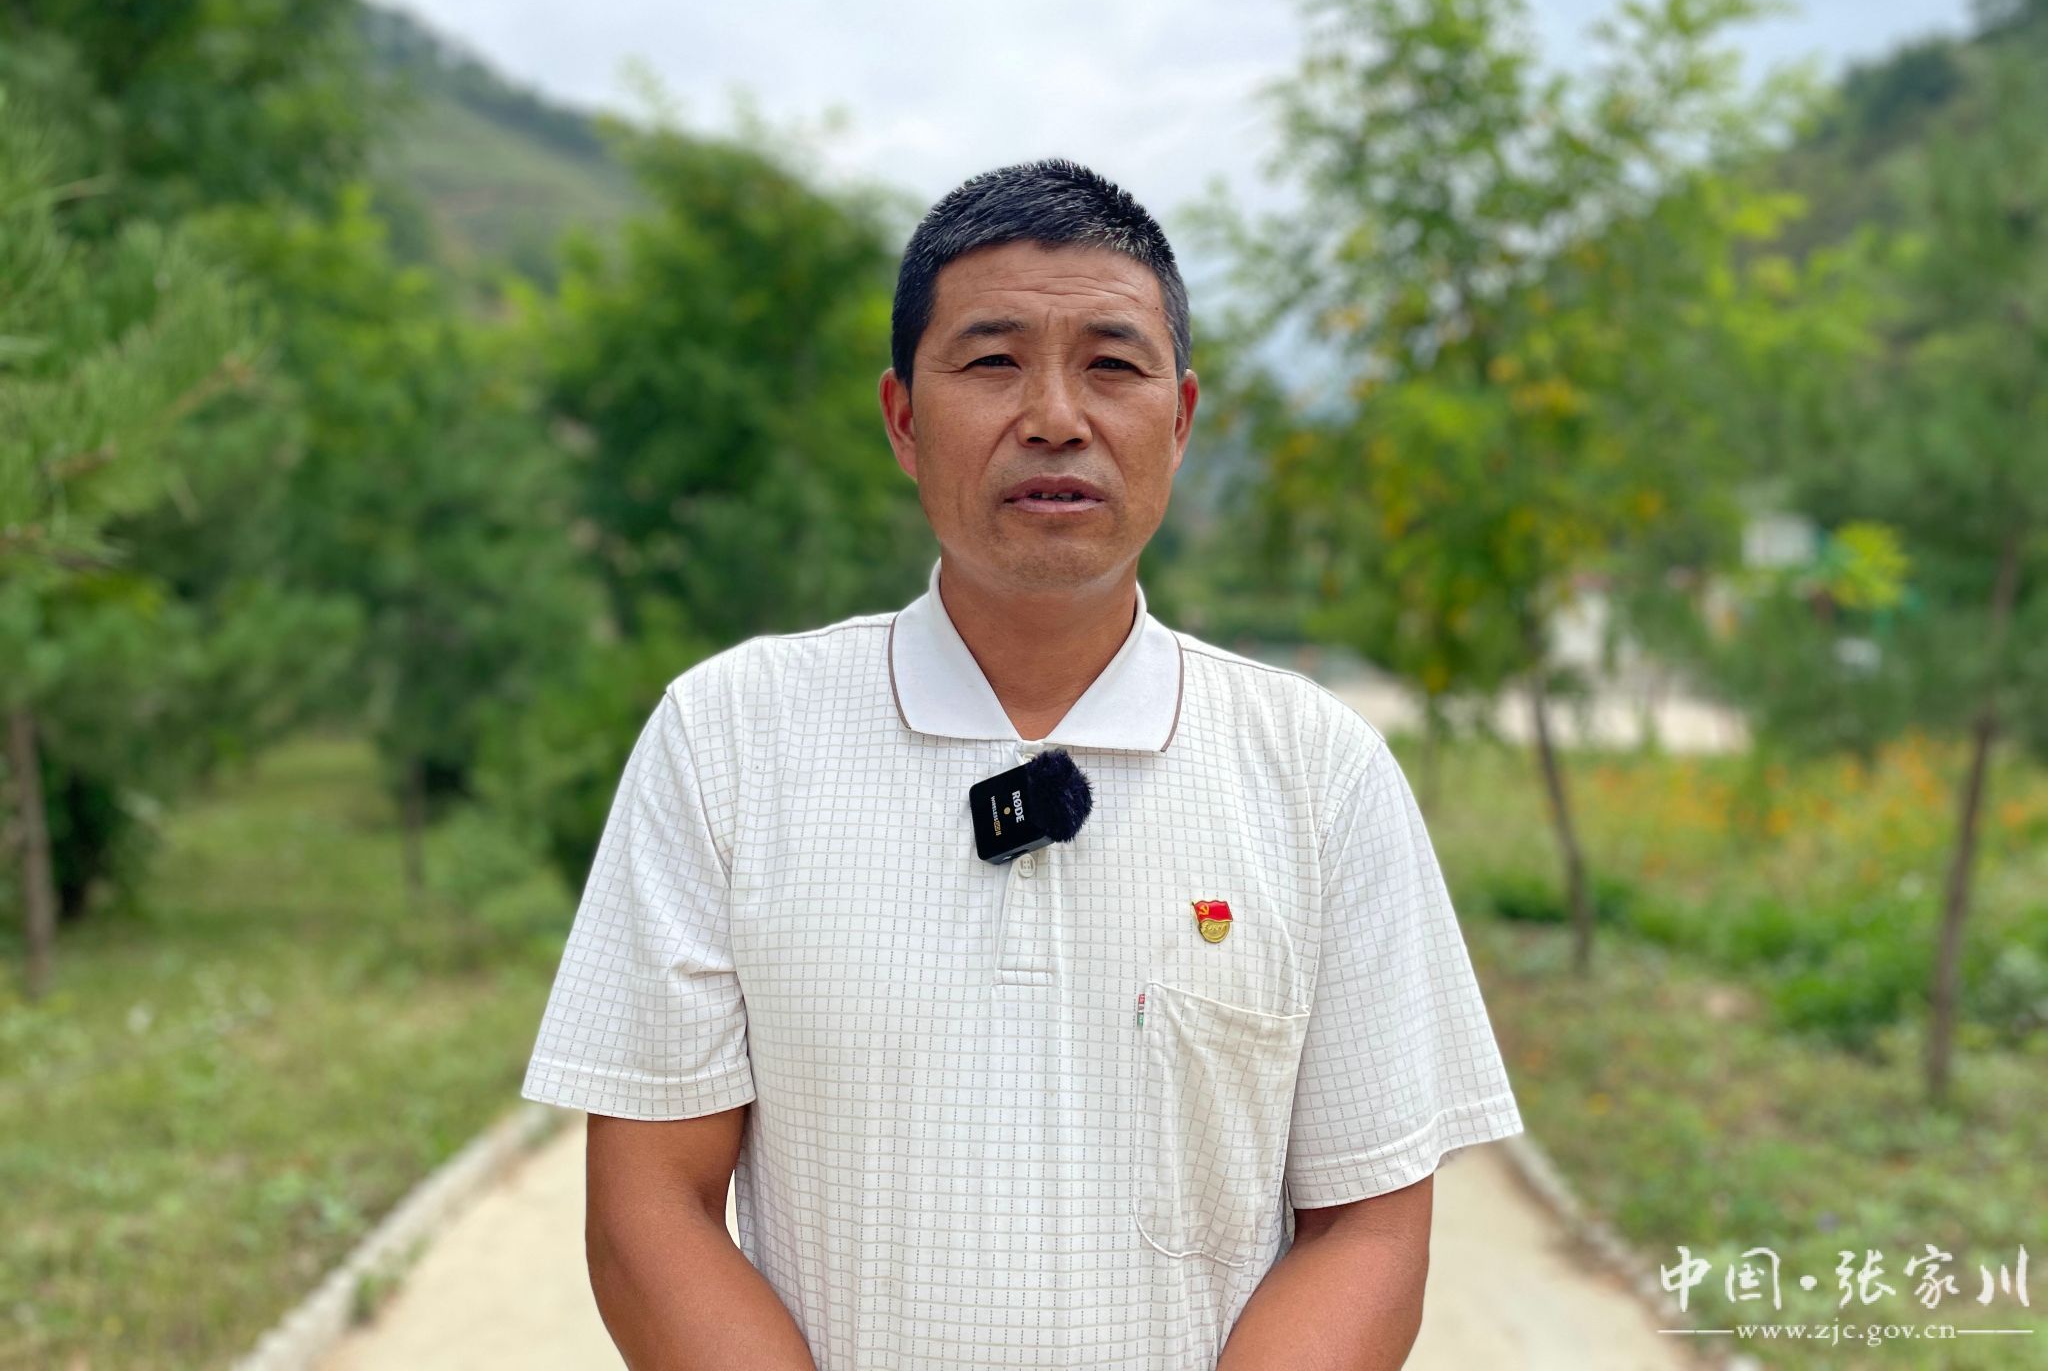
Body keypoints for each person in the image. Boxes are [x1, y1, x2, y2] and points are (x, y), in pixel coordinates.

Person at [519, 157, 1525, 1371]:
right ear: (903, 418)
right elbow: (649, 1209)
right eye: (992, 361)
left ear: (1180, 420)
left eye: (1110, 365)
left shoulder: (1320, 775)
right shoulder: (727, 740)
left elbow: (1367, 1228)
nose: (1054, 416)